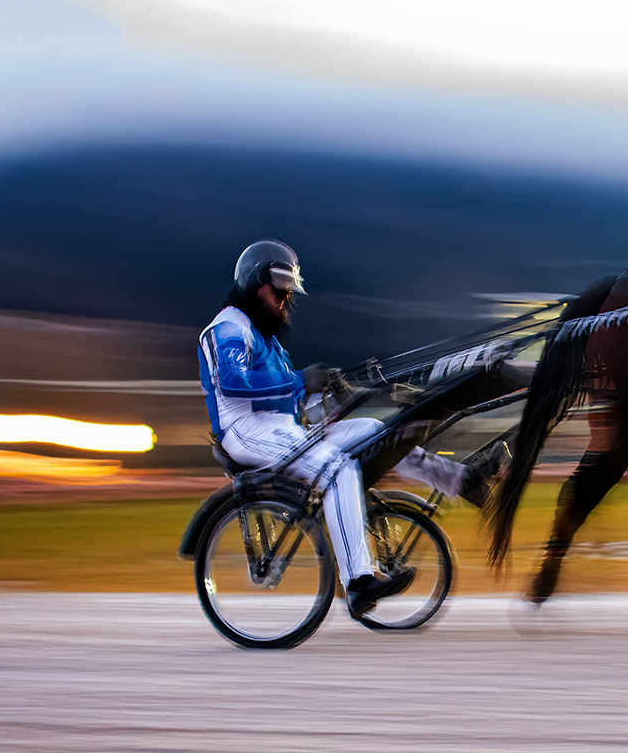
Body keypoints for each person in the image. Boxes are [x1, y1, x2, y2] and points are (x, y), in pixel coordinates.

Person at [199, 239, 500, 615]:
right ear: (257, 284)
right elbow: (234, 385)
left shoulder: (268, 342)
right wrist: (300, 382)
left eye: (289, 292)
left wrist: (330, 393)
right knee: (337, 469)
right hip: (245, 430)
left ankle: (462, 480)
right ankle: (358, 583)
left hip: (283, 429)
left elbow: (291, 400)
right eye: (280, 290)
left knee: (375, 430)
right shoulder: (227, 327)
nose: (286, 299)